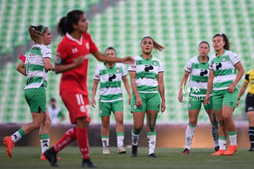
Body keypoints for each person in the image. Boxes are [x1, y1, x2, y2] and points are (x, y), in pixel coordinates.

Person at [43, 10, 134, 168]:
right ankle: (86, 160)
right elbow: (56, 68)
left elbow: (99, 56)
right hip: (69, 87)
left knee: (83, 124)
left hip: (81, 87)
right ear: (74, 25)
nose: (87, 22)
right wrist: (73, 64)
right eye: (84, 20)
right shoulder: (65, 44)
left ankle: (53, 151)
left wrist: (121, 59)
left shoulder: (86, 38)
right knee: (83, 121)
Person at [3, 25, 54, 160]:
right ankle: (12, 138)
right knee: (37, 123)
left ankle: (45, 153)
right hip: (38, 89)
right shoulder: (45, 49)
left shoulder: (30, 51)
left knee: (46, 121)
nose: (51, 36)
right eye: (48, 34)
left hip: (29, 89)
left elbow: (19, 66)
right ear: (42, 36)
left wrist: (32, 74)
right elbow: (48, 66)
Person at [204, 33, 244, 156]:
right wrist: (207, 94)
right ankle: (221, 148)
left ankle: (233, 144)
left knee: (227, 116)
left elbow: (241, 70)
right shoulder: (212, 59)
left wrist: (233, 85)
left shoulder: (230, 55)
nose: (216, 43)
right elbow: (210, 77)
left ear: (224, 43)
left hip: (229, 91)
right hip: (216, 92)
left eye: (218, 41)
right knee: (220, 120)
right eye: (214, 41)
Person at [178, 41, 219, 154]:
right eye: (201, 47)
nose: (203, 49)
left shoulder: (213, 62)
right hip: (195, 94)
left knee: (214, 119)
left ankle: (217, 145)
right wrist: (181, 90)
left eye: (206, 48)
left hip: (208, 94)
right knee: (192, 120)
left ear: (209, 50)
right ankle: (187, 147)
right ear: (198, 49)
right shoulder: (192, 61)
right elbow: (185, 77)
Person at [129, 36, 166, 158]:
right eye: (145, 43)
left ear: (152, 46)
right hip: (139, 94)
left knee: (151, 125)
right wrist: (137, 96)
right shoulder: (134, 60)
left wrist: (163, 99)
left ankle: (151, 152)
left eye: (150, 43)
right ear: (141, 46)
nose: (147, 45)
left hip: (153, 95)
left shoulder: (158, 62)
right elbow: (133, 80)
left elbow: (160, 82)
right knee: (138, 126)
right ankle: (134, 146)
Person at [91, 47, 132, 154]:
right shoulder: (99, 67)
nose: (110, 55)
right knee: (105, 123)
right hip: (104, 99)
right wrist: (93, 97)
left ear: (115, 56)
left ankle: (120, 145)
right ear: (104, 57)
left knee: (119, 119)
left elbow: (126, 81)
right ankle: (105, 146)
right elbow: (95, 83)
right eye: (108, 54)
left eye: (112, 54)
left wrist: (130, 94)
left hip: (117, 98)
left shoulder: (121, 67)